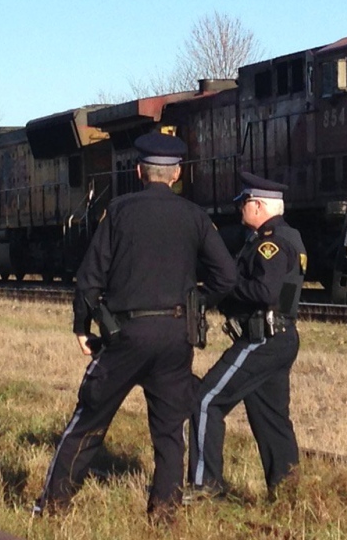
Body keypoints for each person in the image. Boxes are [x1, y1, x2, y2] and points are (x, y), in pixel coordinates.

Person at [33, 131, 237, 522]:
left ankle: (52, 507)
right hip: (177, 336)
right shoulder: (195, 216)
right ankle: (164, 515)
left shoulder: (119, 211)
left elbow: (88, 278)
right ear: (176, 175)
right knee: (169, 432)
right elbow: (226, 277)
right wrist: (197, 304)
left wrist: (82, 326)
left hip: (126, 336)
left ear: (140, 171)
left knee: (89, 420)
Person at [188, 171, 307, 502]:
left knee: (206, 400)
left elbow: (265, 291)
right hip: (280, 335)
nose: (240, 209)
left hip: (261, 338)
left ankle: (205, 486)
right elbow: (284, 296)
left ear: (258, 205)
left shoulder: (271, 243)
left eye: (243, 203)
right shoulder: (290, 238)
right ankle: (288, 493)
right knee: (271, 420)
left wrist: (223, 289)